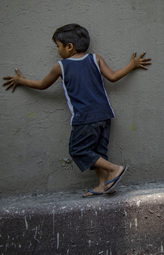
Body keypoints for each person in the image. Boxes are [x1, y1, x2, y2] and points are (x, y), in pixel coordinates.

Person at [3, 23, 150, 197]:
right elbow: (113, 77)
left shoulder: (61, 66)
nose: (58, 50)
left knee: (77, 150)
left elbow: (43, 85)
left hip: (84, 117)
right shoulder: (95, 59)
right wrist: (131, 65)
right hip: (104, 114)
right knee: (98, 153)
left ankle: (114, 169)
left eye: (58, 46)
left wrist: (22, 81)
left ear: (69, 47)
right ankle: (102, 186)